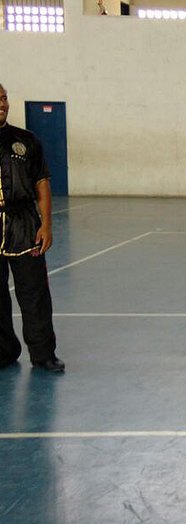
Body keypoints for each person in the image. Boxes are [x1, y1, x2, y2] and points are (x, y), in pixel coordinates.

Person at [0, 83, 64, 373]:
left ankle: (43, 354)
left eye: (4, 98)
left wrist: (47, 224)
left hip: (24, 224)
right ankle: (4, 350)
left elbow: (42, 183)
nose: (2, 104)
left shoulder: (27, 141)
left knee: (34, 292)